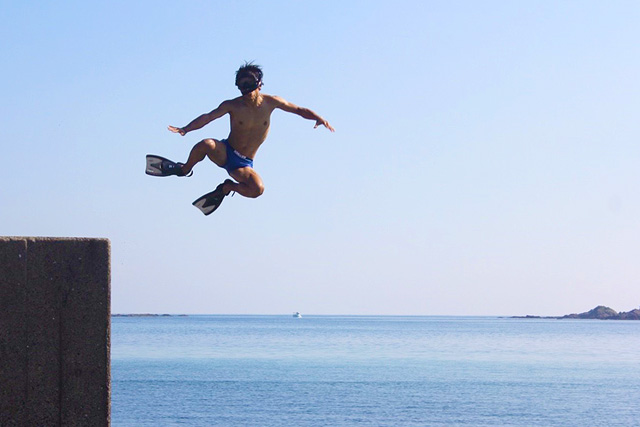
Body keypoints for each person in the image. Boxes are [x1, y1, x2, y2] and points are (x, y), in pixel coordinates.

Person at [166, 62, 334, 210]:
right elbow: (208, 117)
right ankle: (184, 169)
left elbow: (298, 109)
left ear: (259, 84)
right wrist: (186, 128)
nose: (245, 91)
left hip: (243, 164)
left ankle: (228, 188)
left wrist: (317, 117)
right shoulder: (232, 105)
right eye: (241, 86)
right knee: (207, 144)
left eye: (248, 85)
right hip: (226, 151)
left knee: (257, 190)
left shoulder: (272, 102)